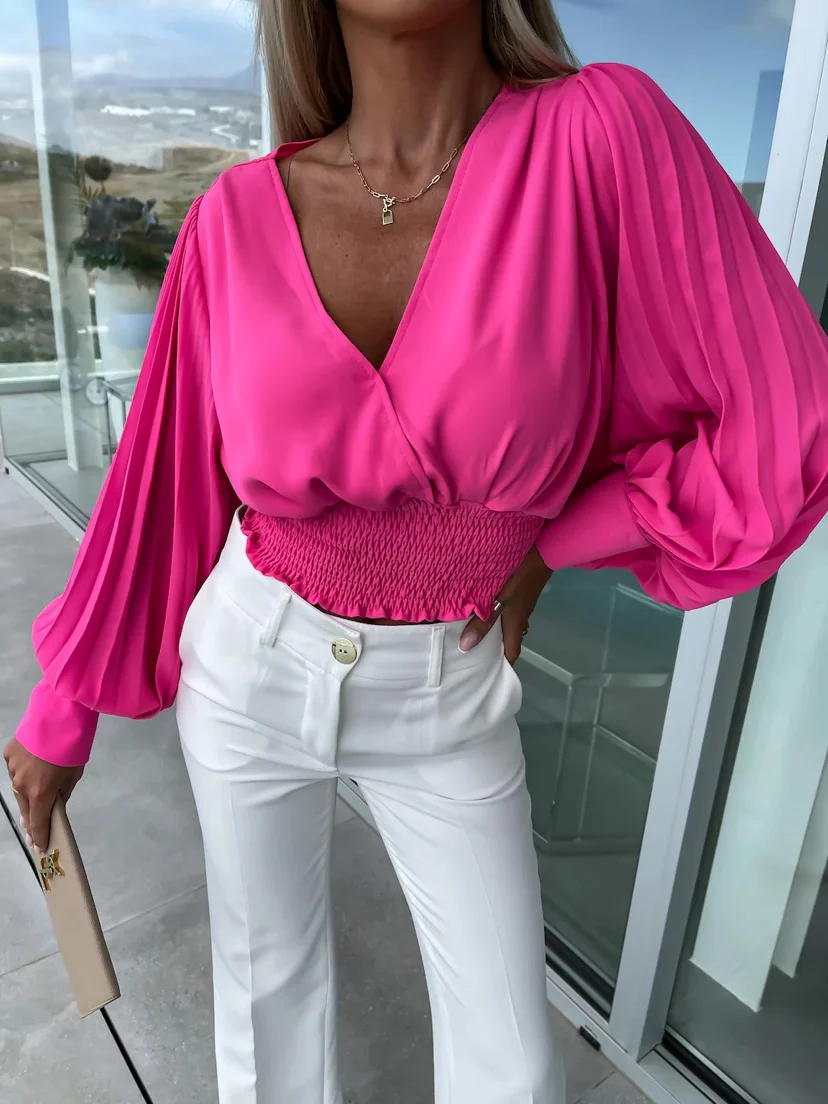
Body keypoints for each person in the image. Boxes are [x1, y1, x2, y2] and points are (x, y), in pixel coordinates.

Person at [6, 1, 828, 1100]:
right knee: (265, 1020)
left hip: (449, 689)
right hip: (250, 665)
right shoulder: (232, 218)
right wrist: (62, 712)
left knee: (513, 1066)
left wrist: (554, 542)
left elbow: (786, 426)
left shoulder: (598, 135)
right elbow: (160, 489)